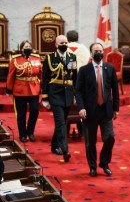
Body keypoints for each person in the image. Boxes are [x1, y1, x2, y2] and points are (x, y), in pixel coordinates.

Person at [75, 43, 119, 177]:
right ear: (91, 53)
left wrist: (116, 109)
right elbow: (78, 91)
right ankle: (92, 166)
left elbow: (115, 91)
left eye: (100, 50)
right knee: (90, 142)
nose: (99, 53)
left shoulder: (110, 68)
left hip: (106, 109)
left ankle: (104, 163)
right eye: (96, 51)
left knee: (110, 138)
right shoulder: (84, 70)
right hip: (90, 111)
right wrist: (81, 107)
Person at [41, 34, 77, 162]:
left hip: (67, 94)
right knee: (60, 122)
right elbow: (45, 78)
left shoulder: (72, 57)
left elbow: (74, 77)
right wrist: (45, 98)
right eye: (61, 43)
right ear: (56, 45)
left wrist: (75, 95)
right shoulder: (50, 58)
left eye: (66, 42)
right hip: (55, 94)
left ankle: (54, 145)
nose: (64, 45)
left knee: (62, 122)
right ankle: (65, 150)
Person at [6, 40, 42, 143]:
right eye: (26, 46)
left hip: (34, 89)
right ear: (22, 49)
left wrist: (43, 87)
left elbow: (40, 74)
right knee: (21, 114)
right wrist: (9, 89)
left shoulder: (36, 58)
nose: (28, 48)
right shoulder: (15, 60)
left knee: (35, 111)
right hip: (20, 90)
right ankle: (22, 134)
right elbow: (11, 75)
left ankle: (30, 132)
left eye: (29, 46)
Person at [66, 29, 90, 138]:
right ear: (77, 38)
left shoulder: (63, 49)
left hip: (68, 80)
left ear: (67, 38)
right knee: (81, 104)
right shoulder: (84, 49)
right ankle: (82, 131)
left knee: (67, 106)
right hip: (82, 79)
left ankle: (65, 131)